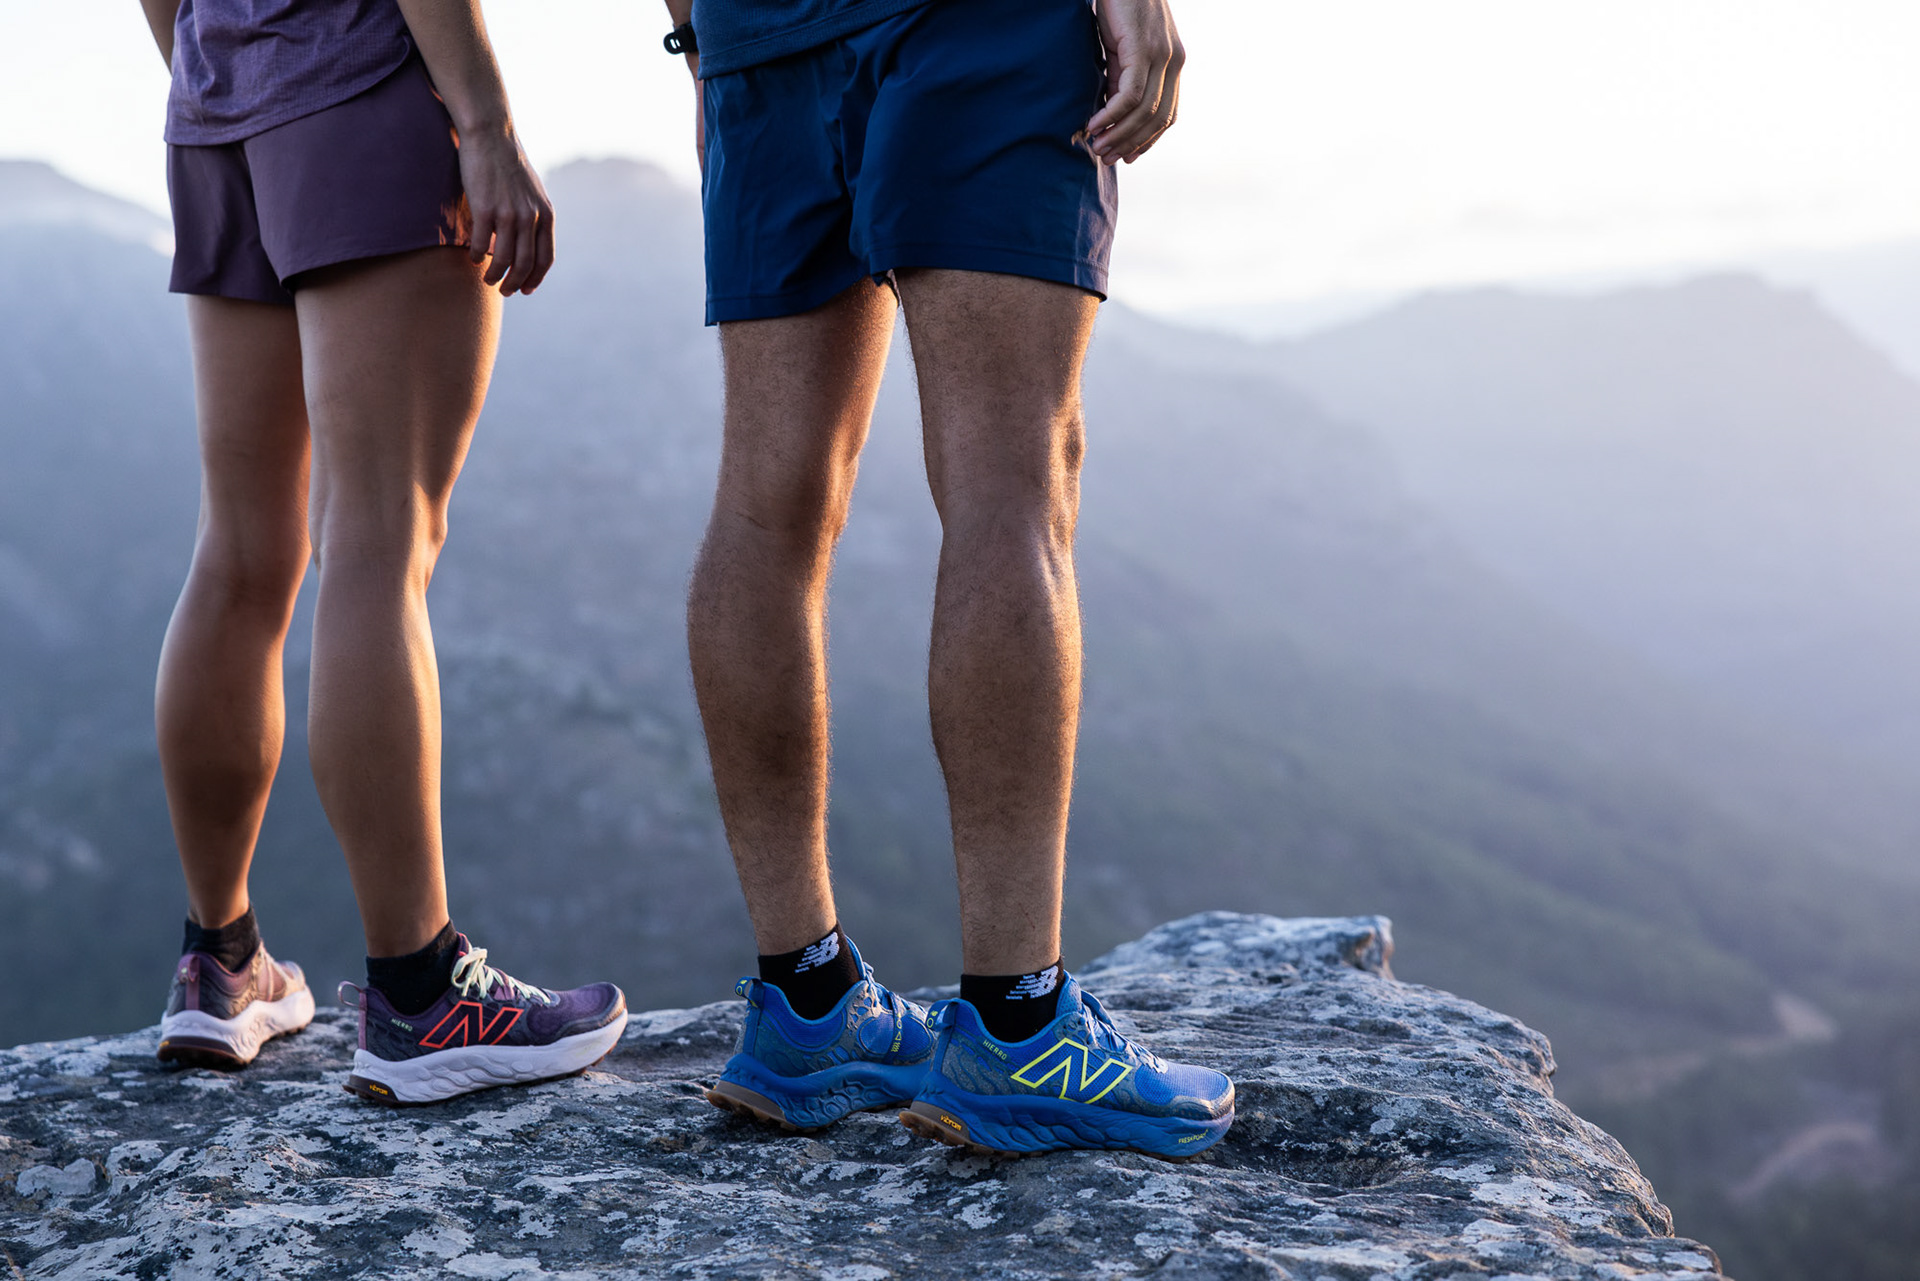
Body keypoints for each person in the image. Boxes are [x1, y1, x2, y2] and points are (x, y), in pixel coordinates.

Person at [669, 0, 1235, 1156]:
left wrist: (706, 39)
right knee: (1010, 480)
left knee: (767, 503)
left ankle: (806, 1003)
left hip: (753, 35)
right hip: (966, 21)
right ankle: (1021, 1022)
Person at [139, 0, 627, 1103]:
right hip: (359, 84)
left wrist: (221, 77)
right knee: (378, 532)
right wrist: (487, 123)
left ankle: (218, 964)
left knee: (242, 547)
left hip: (217, 113)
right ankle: (423, 990)